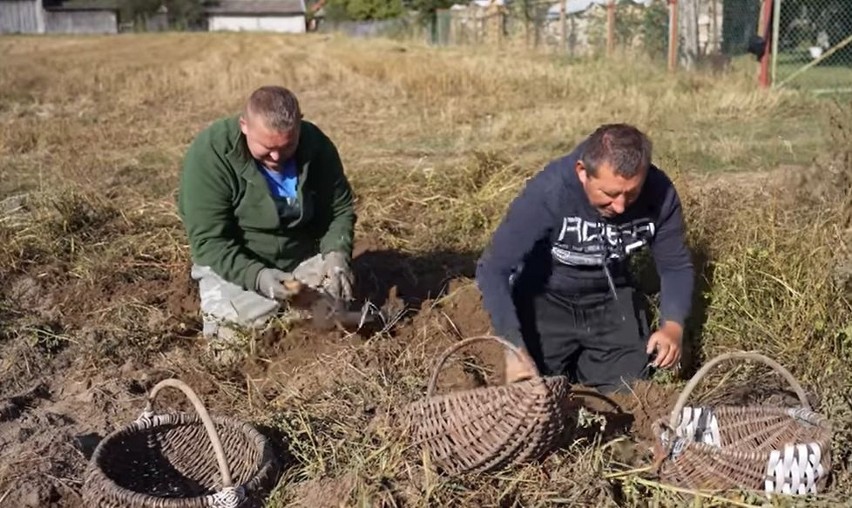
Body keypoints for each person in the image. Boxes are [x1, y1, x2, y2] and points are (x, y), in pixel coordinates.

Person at [475, 123, 694, 394]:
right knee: (533, 392)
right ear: (582, 173)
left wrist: (673, 326)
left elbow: (675, 266)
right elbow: (493, 268)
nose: (621, 206)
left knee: (629, 392)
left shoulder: (660, 193)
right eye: (610, 194)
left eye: (632, 193)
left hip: (610, 300)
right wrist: (513, 347)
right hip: (545, 298)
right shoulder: (550, 191)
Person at [177, 85, 356, 355]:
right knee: (231, 347)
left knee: (340, 313)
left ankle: (296, 316)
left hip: (298, 262)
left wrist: (336, 254)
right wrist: (257, 277)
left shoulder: (315, 145)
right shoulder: (210, 155)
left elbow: (338, 209)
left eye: (287, 147)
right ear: (244, 126)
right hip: (235, 269)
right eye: (267, 148)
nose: (276, 158)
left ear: (299, 125)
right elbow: (209, 242)